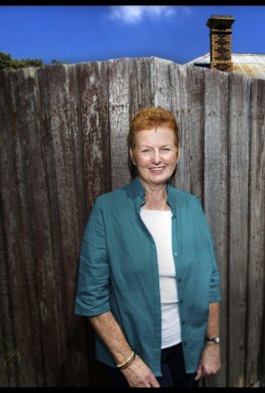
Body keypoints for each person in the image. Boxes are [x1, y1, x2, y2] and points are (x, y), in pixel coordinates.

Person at [74, 106, 222, 388]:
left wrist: (212, 343)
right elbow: (92, 298)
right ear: (132, 154)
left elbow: (210, 281)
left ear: (177, 152)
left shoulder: (191, 206)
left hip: (187, 350)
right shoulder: (108, 209)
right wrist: (127, 362)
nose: (157, 159)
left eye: (165, 149)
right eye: (146, 150)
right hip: (134, 354)